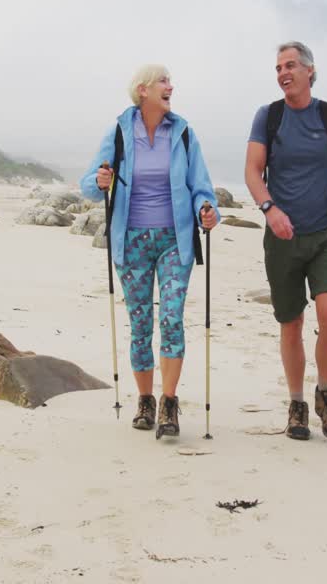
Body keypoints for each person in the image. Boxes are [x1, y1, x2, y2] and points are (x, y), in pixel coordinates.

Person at [80, 65, 220, 439]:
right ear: (143, 90)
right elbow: (90, 185)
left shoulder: (183, 132)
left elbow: (201, 187)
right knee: (141, 323)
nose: (170, 86)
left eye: (170, 81)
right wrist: (100, 179)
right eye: (163, 81)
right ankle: (145, 400)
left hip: (175, 240)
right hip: (132, 242)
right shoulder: (120, 131)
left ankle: (169, 403)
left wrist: (207, 211)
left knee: (171, 317)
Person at [243, 41, 327, 440]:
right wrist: (270, 210)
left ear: (310, 71)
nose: (283, 73)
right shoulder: (269, 117)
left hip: (324, 235)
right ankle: (296, 404)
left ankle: (325, 394)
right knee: (291, 322)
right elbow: (252, 171)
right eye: (279, 67)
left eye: (291, 65)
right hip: (281, 240)